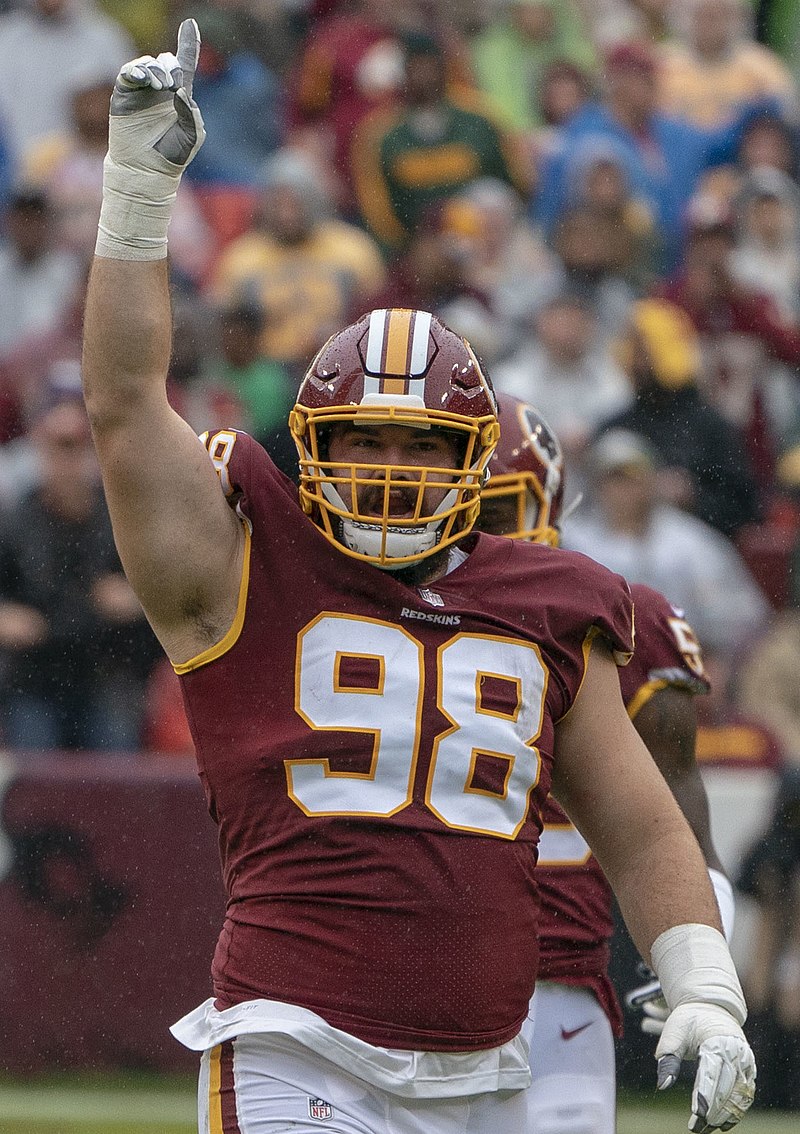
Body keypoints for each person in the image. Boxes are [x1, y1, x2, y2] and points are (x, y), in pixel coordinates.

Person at [81, 23, 755, 1132]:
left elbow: (640, 829)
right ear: (313, 447)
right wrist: (137, 192)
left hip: (487, 1076)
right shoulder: (245, 564)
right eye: (363, 442)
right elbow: (119, 402)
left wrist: (705, 990)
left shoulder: (547, 603)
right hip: (294, 1047)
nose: (390, 470)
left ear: (473, 463)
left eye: (419, 446)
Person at [476, 395, 733, 1132]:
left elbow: (682, 831)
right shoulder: (383, 611)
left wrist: (704, 974)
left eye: (496, 513)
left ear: (547, 505)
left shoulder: (621, 620)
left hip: (561, 983)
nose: (478, 536)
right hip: (416, 974)